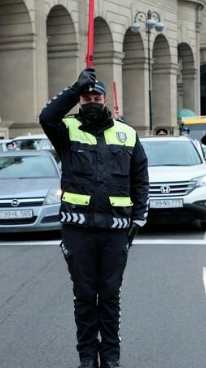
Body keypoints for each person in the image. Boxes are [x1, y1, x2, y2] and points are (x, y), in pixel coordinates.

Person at [40, 68, 150, 368]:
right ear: (80, 101)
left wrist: (139, 217)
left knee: (111, 297)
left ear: (106, 100)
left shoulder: (127, 133)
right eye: (86, 97)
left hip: (116, 230)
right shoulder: (66, 130)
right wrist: (74, 87)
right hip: (78, 230)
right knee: (85, 297)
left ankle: (111, 358)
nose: (91, 101)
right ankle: (87, 358)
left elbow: (140, 177)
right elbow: (46, 116)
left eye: (96, 97)